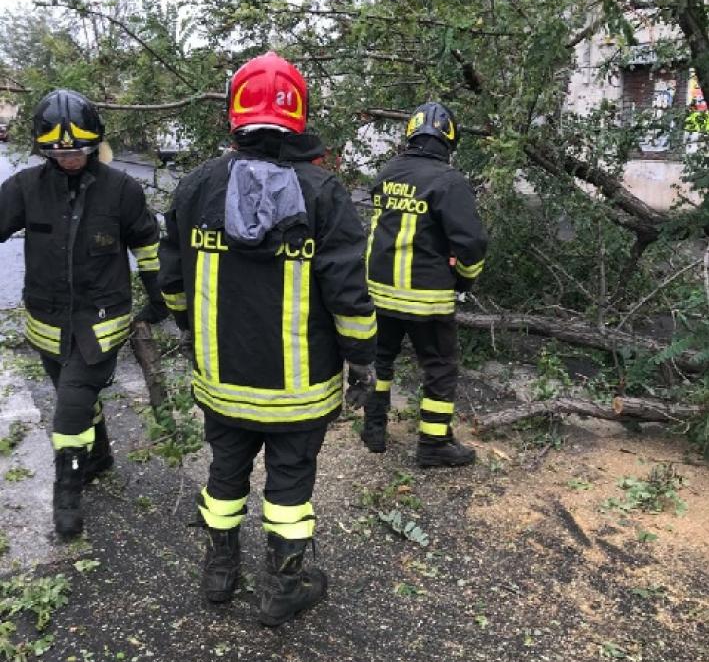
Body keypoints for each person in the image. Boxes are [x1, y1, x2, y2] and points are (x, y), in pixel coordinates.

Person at [158, 51, 376, 626]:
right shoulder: (325, 193)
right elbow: (350, 293)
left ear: (234, 114)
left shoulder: (196, 186)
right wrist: (363, 363)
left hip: (222, 380)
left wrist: (192, 331)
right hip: (299, 391)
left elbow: (171, 281)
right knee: (289, 484)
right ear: (300, 115)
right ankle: (284, 587)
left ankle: (220, 571)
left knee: (225, 474)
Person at [0, 89, 167, 538]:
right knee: (76, 399)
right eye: (58, 150)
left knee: (69, 407)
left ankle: (67, 492)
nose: (69, 157)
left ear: (94, 144)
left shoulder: (121, 190)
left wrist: (160, 300)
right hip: (47, 323)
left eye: (78, 150)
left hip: (101, 322)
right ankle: (99, 457)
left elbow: (149, 247)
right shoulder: (24, 189)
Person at [363, 101, 488, 466]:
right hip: (426, 298)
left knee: (380, 361)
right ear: (449, 141)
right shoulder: (449, 182)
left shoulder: (387, 173)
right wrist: (466, 279)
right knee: (439, 367)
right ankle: (433, 444)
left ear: (411, 135)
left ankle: (373, 429)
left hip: (379, 293)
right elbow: (472, 243)